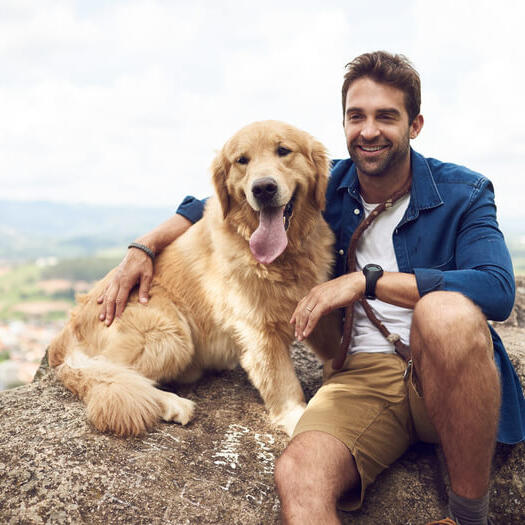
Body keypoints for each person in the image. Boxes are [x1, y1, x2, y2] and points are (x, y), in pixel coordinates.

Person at [97, 52, 525, 525]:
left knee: (444, 313)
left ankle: (469, 519)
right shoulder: (327, 181)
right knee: (299, 475)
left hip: (443, 369)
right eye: (356, 116)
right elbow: (217, 200)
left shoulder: (463, 191)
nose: (369, 130)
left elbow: (497, 290)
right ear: (344, 124)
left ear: (415, 124)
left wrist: (369, 281)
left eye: (387, 116)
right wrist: (145, 246)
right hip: (362, 379)